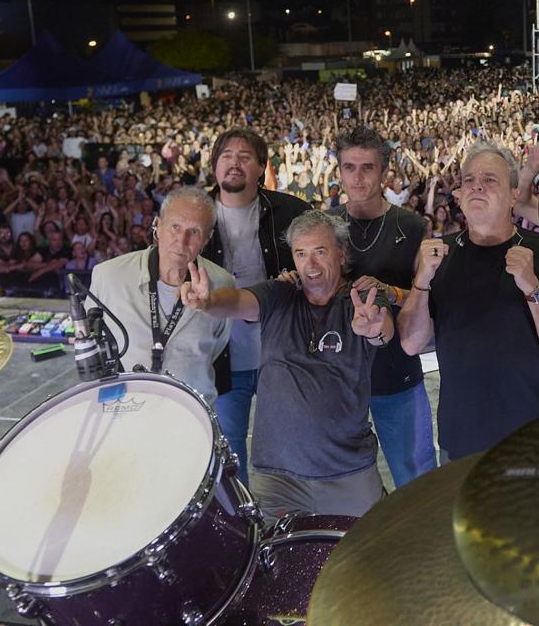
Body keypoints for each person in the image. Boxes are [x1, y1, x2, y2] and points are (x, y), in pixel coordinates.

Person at [181, 211, 394, 517]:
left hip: (348, 471)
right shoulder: (279, 294)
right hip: (279, 478)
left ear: (340, 252)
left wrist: (374, 328)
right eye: (301, 253)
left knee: (366, 555)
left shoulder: (361, 298)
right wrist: (209, 302)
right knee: (276, 560)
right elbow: (239, 302)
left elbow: (382, 329)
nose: (311, 265)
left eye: (320, 252)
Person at [398, 141, 539, 461]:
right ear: (458, 195)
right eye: (468, 180)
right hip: (459, 442)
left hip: (529, 441)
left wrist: (532, 286)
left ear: (514, 193)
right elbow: (412, 344)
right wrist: (421, 281)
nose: (476, 186)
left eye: (490, 179)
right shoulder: (437, 255)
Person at [329, 126, 436, 488]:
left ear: (385, 171)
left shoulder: (412, 225)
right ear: (339, 171)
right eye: (349, 167)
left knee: (417, 477)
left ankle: (428, 546)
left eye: (367, 167)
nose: (357, 177)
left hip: (395, 373)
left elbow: (427, 300)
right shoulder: (324, 225)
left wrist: (389, 292)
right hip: (339, 376)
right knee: (341, 484)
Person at [201, 128, 309, 471]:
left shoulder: (291, 212)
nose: (235, 163)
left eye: (245, 156)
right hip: (221, 360)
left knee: (289, 442)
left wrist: (298, 282)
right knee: (230, 454)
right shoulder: (195, 217)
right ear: (214, 166)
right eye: (226, 156)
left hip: (279, 354)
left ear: (262, 167)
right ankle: (245, 523)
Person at [87, 186, 234, 405]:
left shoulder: (223, 284)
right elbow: (93, 340)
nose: (181, 240)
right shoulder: (108, 276)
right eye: (175, 226)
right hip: (127, 410)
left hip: (192, 415)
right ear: (157, 225)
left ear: (207, 238)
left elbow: (217, 345)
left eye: (194, 232)